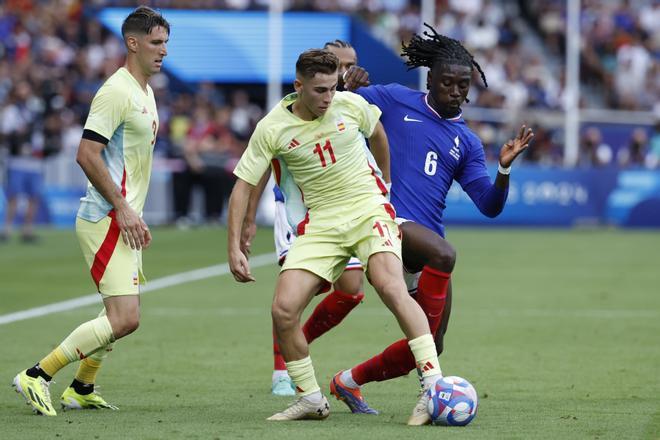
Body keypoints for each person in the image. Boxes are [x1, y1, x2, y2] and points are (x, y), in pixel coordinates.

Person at [328, 24, 533, 425]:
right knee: (445, 252)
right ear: (431, 80)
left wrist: (504, 170)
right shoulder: (392, 99)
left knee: (431, 343)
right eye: (448, 83)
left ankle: (348, 381)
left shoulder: (467, 142)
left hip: (422, 243)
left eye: (463, 85)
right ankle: (430, 390)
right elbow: (335, 106)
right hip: (383, 223)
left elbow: (489, 206)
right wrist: (345, 87)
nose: (456, 91)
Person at [228, 49, 442, 423]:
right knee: (283, 309)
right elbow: (243, 186)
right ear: (298, 87)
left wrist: (385, 187)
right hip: (321, 223)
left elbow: (377, 134)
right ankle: (310, 398)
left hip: (367, 209)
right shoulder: (272, 127)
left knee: (389, 286)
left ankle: (433, 387)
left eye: (332, 88)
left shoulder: (349, 105)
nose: (329, 98)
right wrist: (234, 246)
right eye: (320, 90)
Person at [12, 6, 169, 416]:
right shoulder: (116, 90)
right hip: (105, 217)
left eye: (166, 43)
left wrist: (133, 210)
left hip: (123, 217)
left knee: (116, 310)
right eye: (155, 42)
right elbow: (86, 153)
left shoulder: (146, 91)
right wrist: (123, 208)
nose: (163, 51)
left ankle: (82, 387)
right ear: (132, 44)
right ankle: (37, 375)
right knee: (125, 317)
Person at [240, 39, 374, 397]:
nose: (348, 70)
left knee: (351, 291)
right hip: (299, 216)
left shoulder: (350, 104)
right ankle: (282, 368)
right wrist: (250, 218)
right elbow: (262, 169)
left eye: (352, 64)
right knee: (296, 295)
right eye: (341, 64)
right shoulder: (287, 118)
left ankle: (295, 343)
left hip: (349, 211)